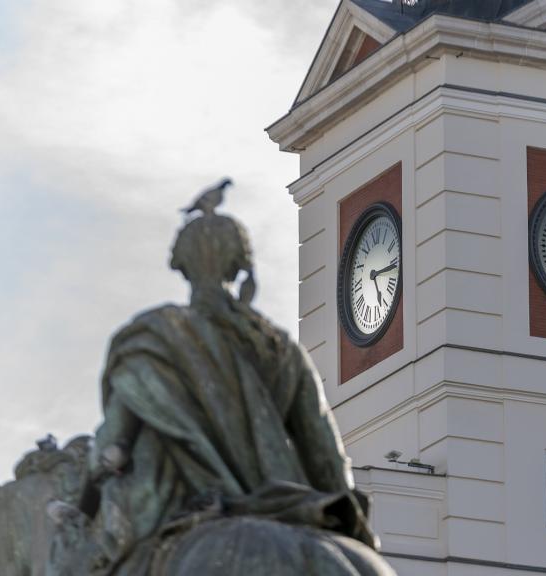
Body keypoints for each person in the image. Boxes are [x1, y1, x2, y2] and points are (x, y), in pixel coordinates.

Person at [85, 208, 379, 574]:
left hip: (197, 514)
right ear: (240, 265)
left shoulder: (151, 338)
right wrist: (356, 534)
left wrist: (90, 484)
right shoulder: (281, 348)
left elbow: (111, 446)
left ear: (180, 264)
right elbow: (327, 462)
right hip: (293, 508)